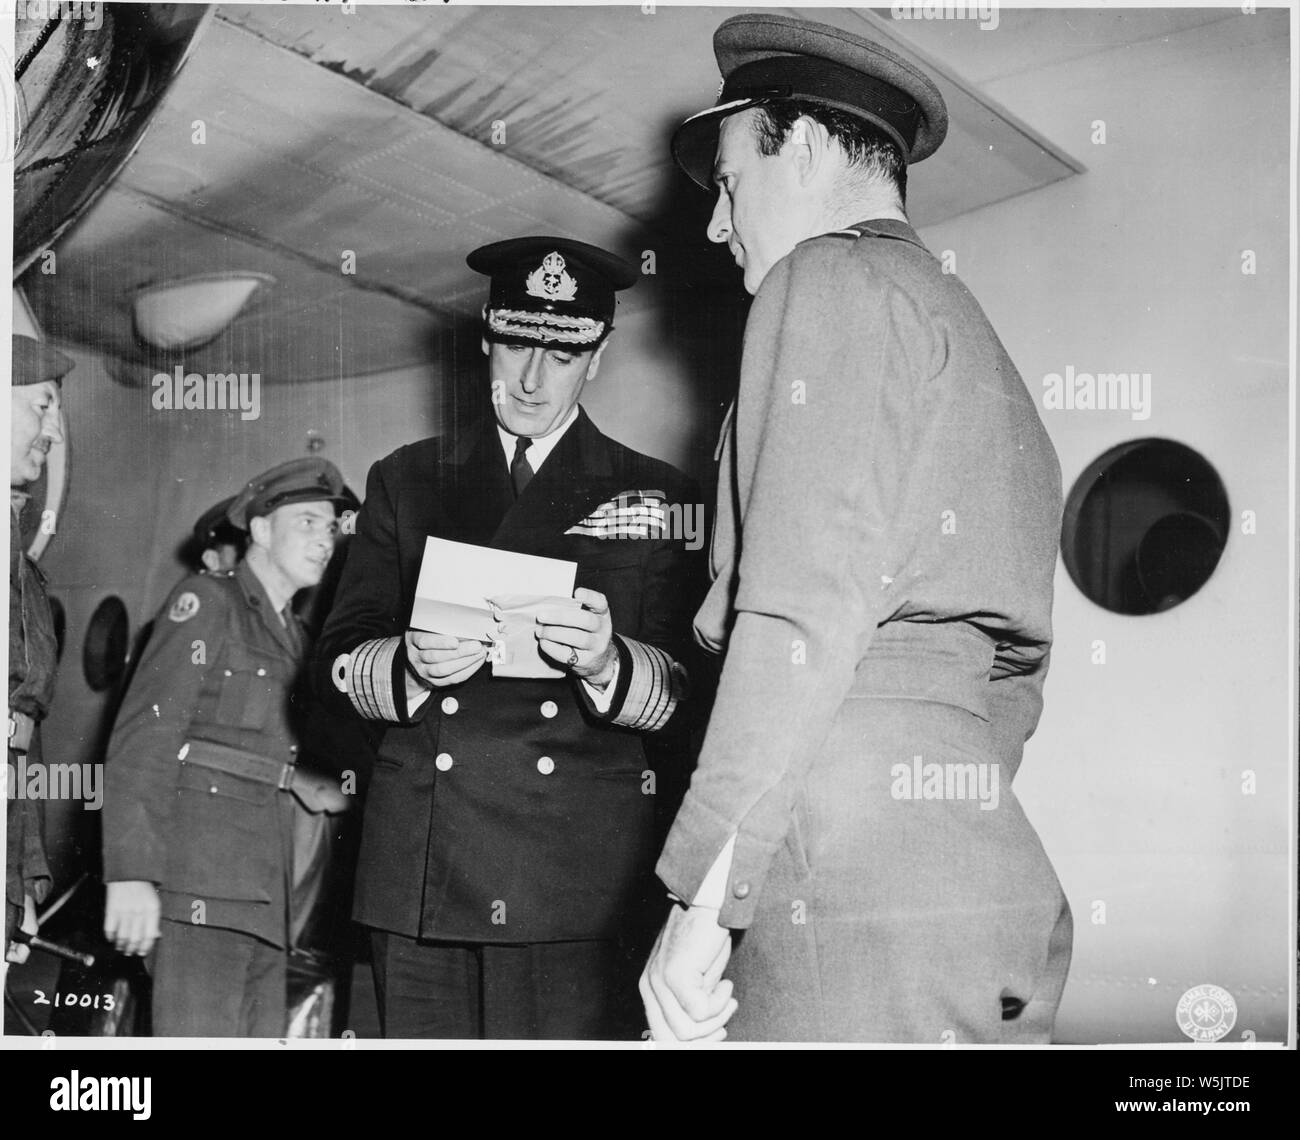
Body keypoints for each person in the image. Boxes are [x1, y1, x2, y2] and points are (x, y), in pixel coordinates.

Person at [641, 13, 1072, 1043]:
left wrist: (701, 897)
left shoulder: (823, 279)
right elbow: (1014, 681)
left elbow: (798, 612)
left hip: (833, 869)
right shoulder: (977, 346)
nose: (714, 225)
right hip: (980, 872)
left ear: (807, 143)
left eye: (731, 183)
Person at [315, 237, 701, 1039]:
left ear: (595, 359)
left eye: (562, 353)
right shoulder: (406, 478)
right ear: (486, 338)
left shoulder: (658, 495)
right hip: (422, 874)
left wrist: (609, 662)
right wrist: (411, 668)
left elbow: (695, 693)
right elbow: (336, 660)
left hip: (571, 888)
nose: (533, 377)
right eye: (519, 343)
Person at [101, 458, 350, 1036]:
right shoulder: (208, 603)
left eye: (331, 527)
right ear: (260, 529)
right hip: (198, 886)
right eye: (308, 522)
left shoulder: (297, 636)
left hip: (265, 898)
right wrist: (131, 874)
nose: (325, 539)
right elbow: (147, 737)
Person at [6, 335, 73, 969]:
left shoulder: (22, 569)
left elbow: (21, 737)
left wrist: (22, 877)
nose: (54, 430)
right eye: (42, 405)